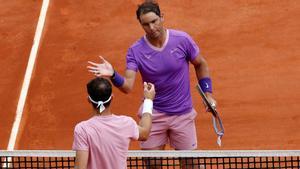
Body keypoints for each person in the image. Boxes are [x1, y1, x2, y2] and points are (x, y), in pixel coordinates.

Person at [87, 1, 217, 167]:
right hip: (153, 115)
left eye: (154, 21)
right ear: (141, 25)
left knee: (190, 165)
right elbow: (127, 86)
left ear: (162, 17)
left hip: (182, 113)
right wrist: (113, 74)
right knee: (152, 165)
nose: (152, 27)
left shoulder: (182, 40)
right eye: (146, 24)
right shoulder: (136, 51)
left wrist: (208, 94)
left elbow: (200, 64)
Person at [72, 77, 155, 169]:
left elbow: (80, 167)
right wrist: (148, 100)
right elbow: (145, 133)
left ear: (89, 99)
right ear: (112, 97)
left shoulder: (82, 129)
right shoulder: (126, 123)